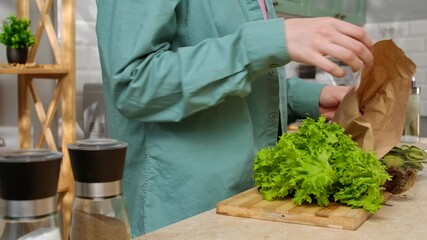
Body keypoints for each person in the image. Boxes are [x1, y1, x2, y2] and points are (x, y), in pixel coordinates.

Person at [95, 0, 373, 237]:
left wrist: (309, 98)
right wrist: (271, 41)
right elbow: (135, 84)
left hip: (246, 204)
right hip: (183, 214)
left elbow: (233, 84)